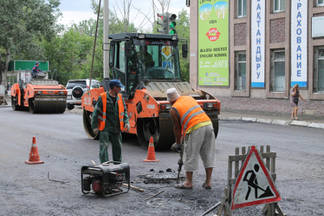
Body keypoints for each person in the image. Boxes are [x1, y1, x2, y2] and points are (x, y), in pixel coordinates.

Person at [167, 88, 216, 190]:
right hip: (208, 124)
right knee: (208, 154)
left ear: (170, 101)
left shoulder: (173, 109)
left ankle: (188, 182)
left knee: (190, 154)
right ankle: (208, 182)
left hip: (195, 128)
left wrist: (178, 143)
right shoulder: (188, 98)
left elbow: (177, 128)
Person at [91, 79, 130, 163]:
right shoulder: (103, 97)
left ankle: (117, 165)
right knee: (104, 147)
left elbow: (124, 111)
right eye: (118, 87)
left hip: (117, 127)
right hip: (105, 128)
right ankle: (105, 165)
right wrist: (94, 127)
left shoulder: (120, 97)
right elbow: (96, 112)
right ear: (113, 88)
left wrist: (126, 122)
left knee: (118, 147)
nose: (120, 89)